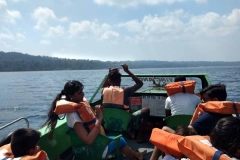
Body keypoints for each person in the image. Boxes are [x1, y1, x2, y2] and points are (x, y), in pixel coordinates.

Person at [43, 80, 147, 160]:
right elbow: (88, 140)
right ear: (71, 96)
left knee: (116, 139)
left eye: (82, 91)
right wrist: (100, 118)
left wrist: (98, 114)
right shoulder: (73, 116)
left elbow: (88, 125)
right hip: (93, 150)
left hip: (87, 147)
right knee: (121, 140)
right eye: (79, 93)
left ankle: (137, 154)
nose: (83, 94)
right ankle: (134, 158)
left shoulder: (78, 108)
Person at [150, 83, 230, 160]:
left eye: (204, 99)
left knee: (164, 129)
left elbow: (185, 133)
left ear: (215, 100)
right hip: (214, 149)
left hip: (197, 148)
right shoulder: (229, 114)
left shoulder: (208, 116)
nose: (202, 101)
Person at [101, 64, 150, 143]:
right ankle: (139, 137)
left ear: (109, 80)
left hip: (108, 122)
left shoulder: (103, 90)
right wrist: (127, 71)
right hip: (125, 123)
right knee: (146, 110)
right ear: (120, 80)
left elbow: (104, 86)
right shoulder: (126, 90)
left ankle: (128, 132)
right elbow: (140, 83)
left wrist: (109, 73)